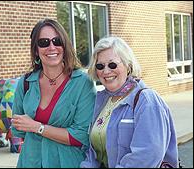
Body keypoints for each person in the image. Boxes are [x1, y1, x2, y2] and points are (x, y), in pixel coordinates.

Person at [80, 36, 178, 168]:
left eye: (112, 64)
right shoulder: (101, 100)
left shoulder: (147, 101)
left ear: (128, 65)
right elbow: (93, 153)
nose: (106, 71)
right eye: (100, 66)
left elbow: (146, 155)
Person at [11, 18, 96, 168]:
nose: (52, 47)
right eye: (44, 42)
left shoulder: (83, 82)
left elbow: (82, 136)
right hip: (30, 162)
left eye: (57, 41)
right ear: (36, 49)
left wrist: (38, 127)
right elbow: (18, 129)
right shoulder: (25, 83)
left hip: (69, 163)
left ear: (65, 45)